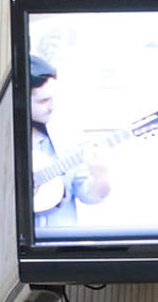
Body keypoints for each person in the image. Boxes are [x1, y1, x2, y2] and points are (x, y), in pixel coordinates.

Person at [27, 56, 110, 231]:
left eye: (52, 98)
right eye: (43, 101)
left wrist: (100, 176)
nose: (52, 106)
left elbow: (87, 194)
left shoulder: (66, 137)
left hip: (58, 247)